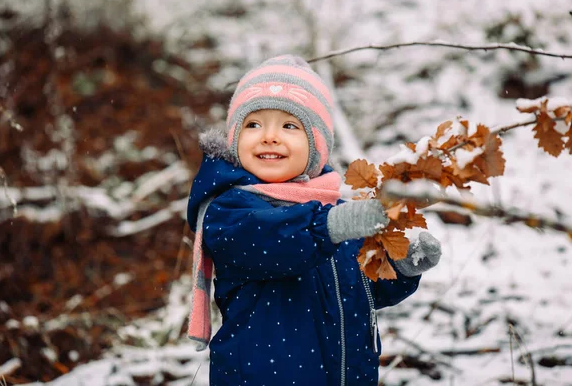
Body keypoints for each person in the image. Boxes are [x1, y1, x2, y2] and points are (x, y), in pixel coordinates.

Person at [186, 55, 442, 385]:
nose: (269, 136)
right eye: (253, 124)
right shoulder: (230, 211)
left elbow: (360, 287)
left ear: (317, 144)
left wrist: (400, 264)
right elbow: (273, 241)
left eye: (289, 125)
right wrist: (332, 225)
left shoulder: (329, 210)